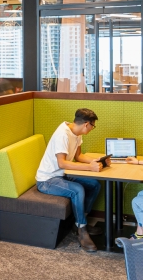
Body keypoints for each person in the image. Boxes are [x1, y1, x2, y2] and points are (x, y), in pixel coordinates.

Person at [35, 108, 106, 252]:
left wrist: (98, 161)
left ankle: (79, 223)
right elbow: (62, 163)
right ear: (86, 124)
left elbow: (78, 157)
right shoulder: (63, 134)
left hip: (62, 174)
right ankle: (82, 230)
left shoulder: (77, 133)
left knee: (94, 185)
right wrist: (90, 168)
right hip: (47, 180)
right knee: (78, 190)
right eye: (93, 126)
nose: (92, 129)